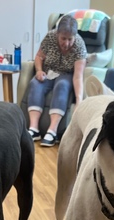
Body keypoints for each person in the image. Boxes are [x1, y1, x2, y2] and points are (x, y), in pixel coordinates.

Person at [26, 14, 87, 147]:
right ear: (57, 34)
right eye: (63, 38)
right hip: (48, 72)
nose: (66, 43)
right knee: (35, 83)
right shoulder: (50, 37)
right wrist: (39, 70)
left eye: (70, 39)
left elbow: (78, 76)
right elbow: (39, 57)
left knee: (62, 85)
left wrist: (79, 100)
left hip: (66, 74)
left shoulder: (80, 46)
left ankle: (52, 131)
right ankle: (34, 129)